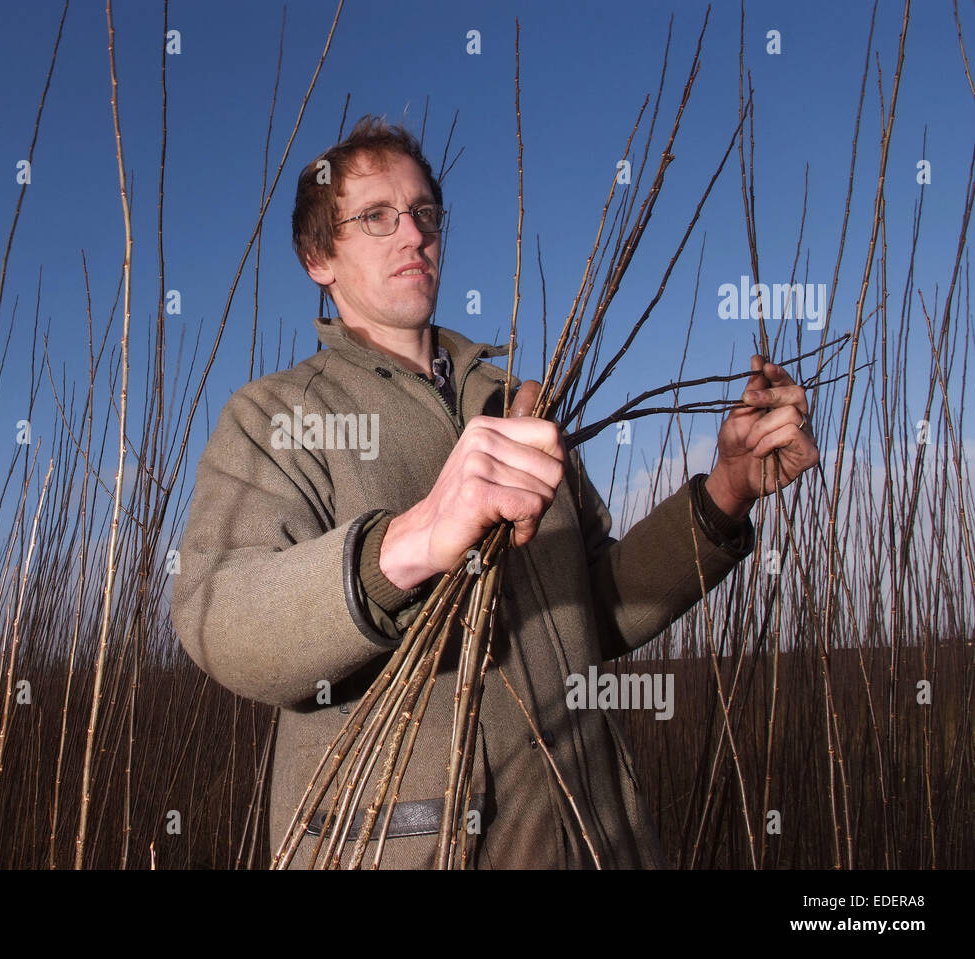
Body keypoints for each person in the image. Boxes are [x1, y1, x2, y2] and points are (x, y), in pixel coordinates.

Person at [170, 116, 820, 869]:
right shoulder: (277, 415)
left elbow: (598, 611)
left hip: (592, 841)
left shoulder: (518, 406)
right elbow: (218, 614)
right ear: (319, 256)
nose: (413, 235)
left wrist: (727, 489)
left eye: (425, 214)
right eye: (377, 217)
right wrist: (407, 543)